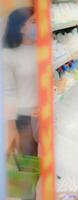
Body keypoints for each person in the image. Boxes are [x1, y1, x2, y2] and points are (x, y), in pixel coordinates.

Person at [2, 7, 38, 155]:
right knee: (32, 160)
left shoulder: (42, 49)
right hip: (24, 119)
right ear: (21, 28)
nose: (39, 26)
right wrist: (11, 128)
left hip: (45, 114)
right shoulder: (8, 55)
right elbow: (8, 93)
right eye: (34, 22)